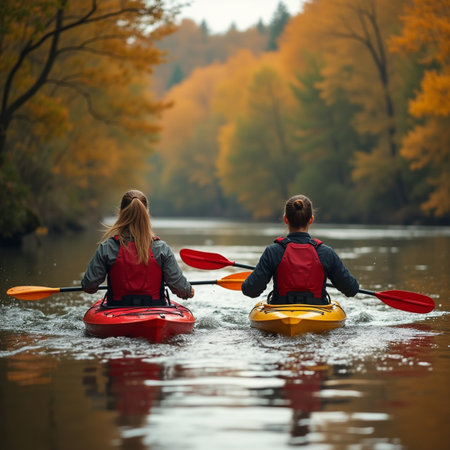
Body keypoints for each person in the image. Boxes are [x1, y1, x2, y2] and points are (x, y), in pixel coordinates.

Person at [82, 189, 194, 306]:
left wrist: (92, 288)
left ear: (120, 212)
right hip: (155, 311)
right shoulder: (161, 248)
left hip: (116, 310)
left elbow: (89, 285)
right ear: (146, 213)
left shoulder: (107, 248)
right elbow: (180, 289)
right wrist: (189, 291)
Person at [241, 194, 359, 305]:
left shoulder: (273, 251)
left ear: (285, 219)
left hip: (280, 313)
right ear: (311, 219)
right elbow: (351, 289)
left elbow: (250, 290)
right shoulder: (326, 253)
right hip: (317, 313)